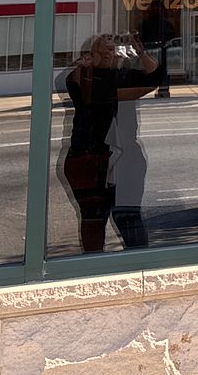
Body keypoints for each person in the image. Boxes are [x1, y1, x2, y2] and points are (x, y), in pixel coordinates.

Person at [60, 31, 161, 253]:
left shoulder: (121, 76)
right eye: (104, 49)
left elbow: (155, 77)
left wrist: (140, 51)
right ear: (90, 55)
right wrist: (86, 65)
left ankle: (137, 264)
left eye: (112, 48)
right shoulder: (85, 78)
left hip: (123, 158)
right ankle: (97, 264)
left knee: (128, 215)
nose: (111, 53)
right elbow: (68, 80)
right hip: (90, 159)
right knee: (95, 218)